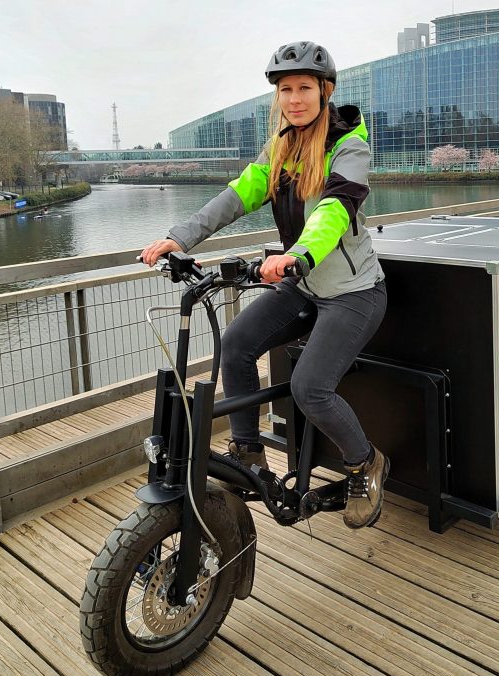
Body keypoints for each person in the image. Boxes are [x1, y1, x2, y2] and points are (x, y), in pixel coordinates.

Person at [140, 41, 388, 529]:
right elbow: (236, 196)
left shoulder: (349, 146)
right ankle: (248, 454)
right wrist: (180, 237)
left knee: (309, 388)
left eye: (304, 88)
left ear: (325, 91)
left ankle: (366, 463)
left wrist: (298, 254)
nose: (294, 99)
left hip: (354, 292)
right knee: (235, 345)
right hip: (305, 285)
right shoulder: (280, 147)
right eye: (285, 90)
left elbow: (334, 210)